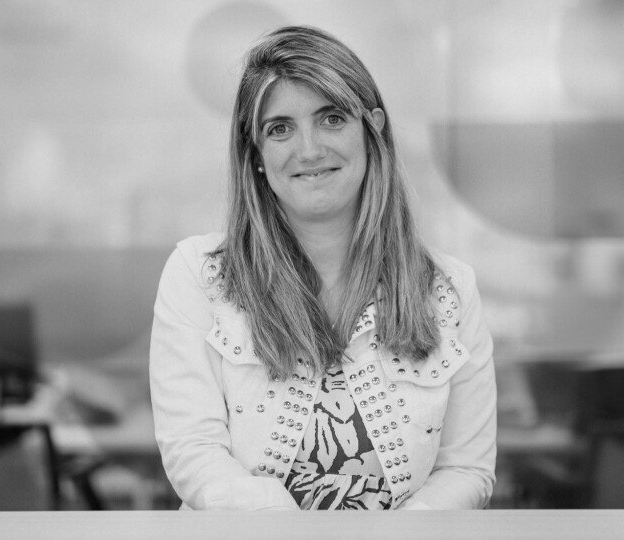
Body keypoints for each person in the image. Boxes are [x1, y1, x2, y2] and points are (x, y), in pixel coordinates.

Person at [150, 25, 496, 511]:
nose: (309, 150)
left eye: (331, 119)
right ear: (256, 155)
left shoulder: (450, 289)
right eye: (280, 128)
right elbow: (195, 454)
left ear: (372, 131)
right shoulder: (199, 276)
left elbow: (465, 470)